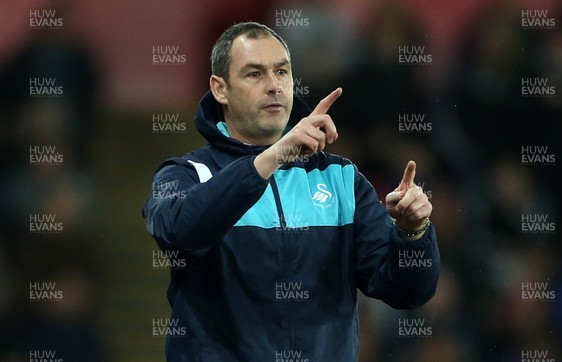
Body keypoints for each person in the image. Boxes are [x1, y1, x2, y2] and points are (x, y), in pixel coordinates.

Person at [142, 21, 440, 361]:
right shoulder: (185, 174)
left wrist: (413, 233)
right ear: (219, 89)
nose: (274, 86)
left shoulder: (341, 178)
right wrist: (274, 156)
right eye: (254, 74)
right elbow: (179, 231)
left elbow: (405, 292)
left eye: (282, 72)